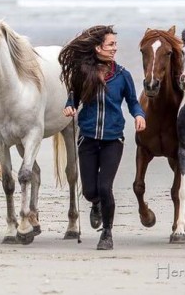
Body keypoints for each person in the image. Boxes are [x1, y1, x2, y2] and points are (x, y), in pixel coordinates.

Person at [58, 25, 146, 250]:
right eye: (111, 45)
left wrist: (138, 115)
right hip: (87, 139)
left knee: (105, 187)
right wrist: (69, 107)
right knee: (89, 191)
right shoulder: (83, 73)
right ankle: (95, 204)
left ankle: (107, 232)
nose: (115, 48)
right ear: (98, 48)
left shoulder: (123, 75)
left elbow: (133, 102)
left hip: (113, 140)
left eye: (115, 44)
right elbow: (73, 98)